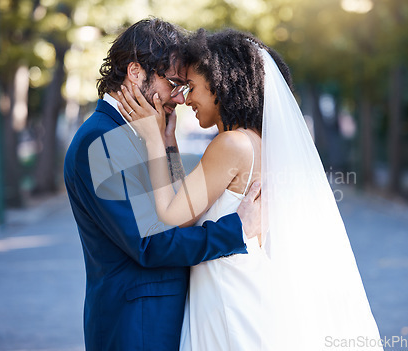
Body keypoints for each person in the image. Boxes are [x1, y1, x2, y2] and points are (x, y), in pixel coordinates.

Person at [118, 28, 383, 350]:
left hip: (228, 295)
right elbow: (187, 207)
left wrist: (151, 139)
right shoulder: (258, 143)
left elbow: (172, 217)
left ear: (221, 84)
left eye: (192, 87)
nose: (186, 100)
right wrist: (170, 141)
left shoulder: (231, 144)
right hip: (241, 285)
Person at [63, 19, 261, 351]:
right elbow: (151, 244)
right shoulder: (102, 139)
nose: (180, 98)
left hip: (166, 320)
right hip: (138, 326)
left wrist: (166, 143)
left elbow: (173, 207)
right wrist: (236, 230)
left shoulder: (140, 131)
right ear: (136, 72)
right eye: (173, 83)